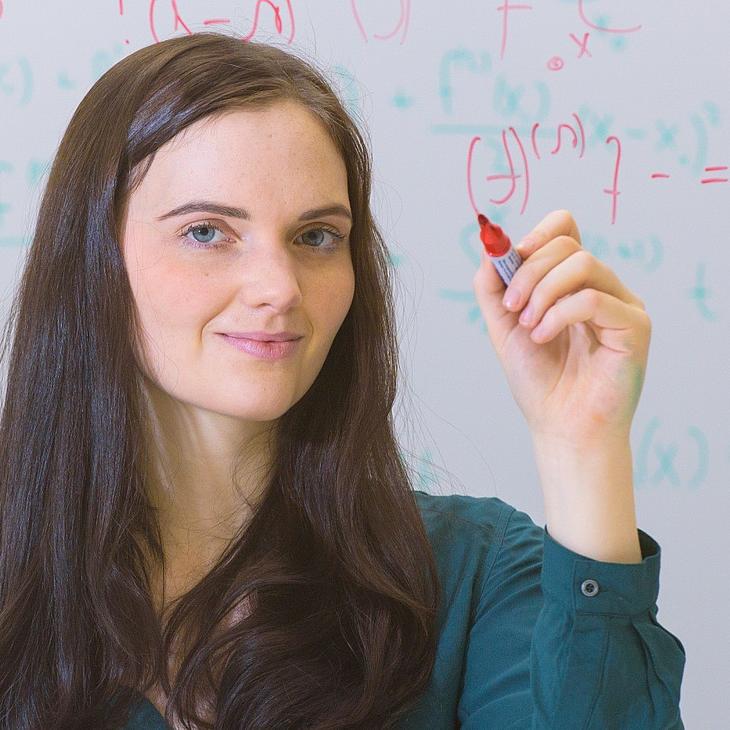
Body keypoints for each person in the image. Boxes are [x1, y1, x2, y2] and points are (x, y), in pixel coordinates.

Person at [0, 30, 685, 730]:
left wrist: (583, 445)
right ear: (91, 259)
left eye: (316, 237)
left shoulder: (474, 574)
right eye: (206, 231)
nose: (278, 286)